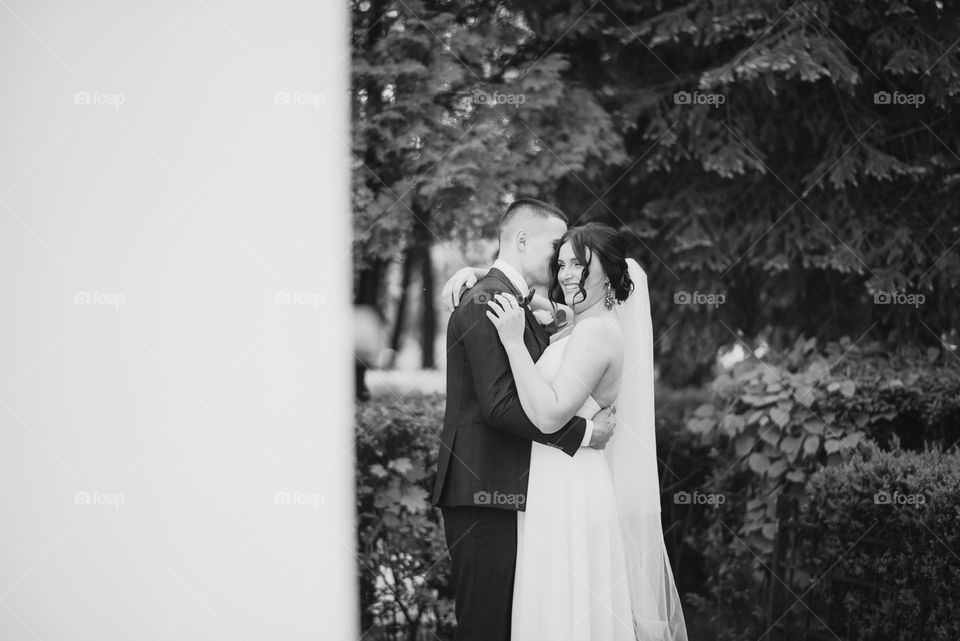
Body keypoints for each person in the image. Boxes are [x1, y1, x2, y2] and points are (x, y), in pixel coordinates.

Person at [443, 221, 688, 641]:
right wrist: (479, 273)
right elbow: (536, 302)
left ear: (609, 272)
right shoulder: (578, 324)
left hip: (570, 486)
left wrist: (515, 342)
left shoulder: (597, 334)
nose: (566, 273)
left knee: (565, 610)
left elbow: (547, 415)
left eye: (579, 263)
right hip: (549, 482)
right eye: (562, 263)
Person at [431, 199, 618, 641]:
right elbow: (498, 406)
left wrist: (477, 271)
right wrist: (584, 433)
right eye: (555, 247)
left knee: (507, 624)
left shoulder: (507, 299)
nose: (560, 260)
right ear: (520, 239)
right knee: (484, 627)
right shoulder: (485, 302)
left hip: (507, 491)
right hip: (483, 491)